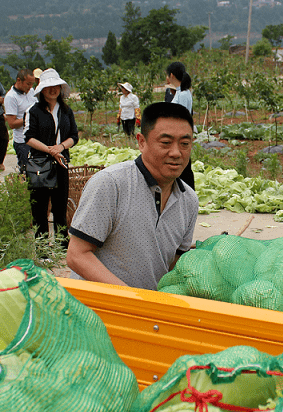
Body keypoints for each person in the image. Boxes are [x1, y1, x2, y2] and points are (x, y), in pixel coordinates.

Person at [67, 102, 199, 291]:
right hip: (95, 309)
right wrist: (131, 298)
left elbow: (174, 264)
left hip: (148, 311)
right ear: (141, 142)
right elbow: (77, 255)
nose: (176, 153)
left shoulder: (189, 201)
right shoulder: (111, 184)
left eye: (185, 144)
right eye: (166, 143)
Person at [25, 68, 80, 241]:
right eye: (49, 87)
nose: (53, 90)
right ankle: (42, 248)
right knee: (40, 208)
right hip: (41, 164)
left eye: (56, 86)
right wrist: (50, 150)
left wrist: (61, 147)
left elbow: (74, 136)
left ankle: (62, 244)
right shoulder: (33, 111)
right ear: (42, 90)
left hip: (61, 163)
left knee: (60, 206)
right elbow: (28, 137)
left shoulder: (66, 111)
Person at [165, 61, 195, 189]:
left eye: (167, 75)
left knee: (184, 168)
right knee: (183, 167)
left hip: (179, 135)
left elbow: (180, 116)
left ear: (171, 75)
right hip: (178, 135)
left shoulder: (182, 94)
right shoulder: (181, 92)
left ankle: (188, 195)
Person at [4, 69, 37, 175]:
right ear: (19, 80)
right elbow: (12, 123)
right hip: (23, 141)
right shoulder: (11, 97)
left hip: (36, 138)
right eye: (28, 83)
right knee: (26, 171)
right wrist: (31, 119)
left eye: (32, 84)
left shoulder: (31, 91)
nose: (30, 86)